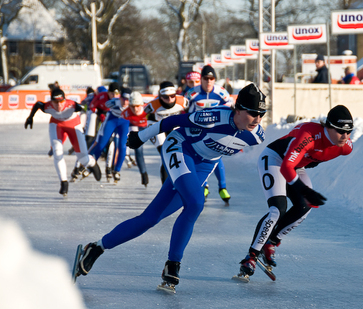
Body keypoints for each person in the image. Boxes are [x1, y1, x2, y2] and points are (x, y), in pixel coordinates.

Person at [74, 83, 267, 292]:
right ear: (237, 109)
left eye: (261, 114)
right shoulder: (214, 117)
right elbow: (172, 121)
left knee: (149, 219)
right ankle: (173, 265)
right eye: (253, 113)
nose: (257, 119)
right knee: (195, 203)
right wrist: (141, 136)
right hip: (180, 147)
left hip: (203, 165)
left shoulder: (256, 135)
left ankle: (96, 247)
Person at [236, 105, 353, 281]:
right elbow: (286, 167)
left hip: (297, 165)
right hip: (276, 159)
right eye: (340, 131)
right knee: (277, 209)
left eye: (349, 132)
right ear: (327, 127)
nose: (345, 137)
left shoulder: (346, 147)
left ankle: (272, 242)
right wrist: (303, 189)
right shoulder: (309, 136)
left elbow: (299, 164)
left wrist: (304, 190)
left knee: (306, 206)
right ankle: (251, 257)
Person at [24, 89, 101, 196]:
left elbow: (85, 109)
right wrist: (30, 117)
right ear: (51, 102)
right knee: (57, 152)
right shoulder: (47, 107)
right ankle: (64, 182)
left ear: (65, 100)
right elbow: (37, 104)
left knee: (83, 159)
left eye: (61, 102)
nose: (59, 105)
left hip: (73, 124)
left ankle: (92, 163)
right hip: (56, 125)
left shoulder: (72, 105)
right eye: (56, 102)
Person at [186, 65, 233, 203]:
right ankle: (204, 185)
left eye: (211, 78)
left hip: (215, 130)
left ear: (214, 80)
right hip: (198, 131)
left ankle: (222, 187)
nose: (208, 81)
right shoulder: (191, 93)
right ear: (201, 79)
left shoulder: (221, 92)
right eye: (206, 78)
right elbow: (184, 111)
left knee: (216, 157)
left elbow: (232, 108)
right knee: (200, 158)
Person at [144, 81, 189, 183]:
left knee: (175, 153)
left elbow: (191, 113)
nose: (169, 100)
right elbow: (141, 116)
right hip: (157, 126)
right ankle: (165, 184)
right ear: (160, 96)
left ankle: (176, 181)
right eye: (165, 97)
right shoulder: (152, 105)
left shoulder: (183, 101)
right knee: (165, 154)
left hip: (173, 125)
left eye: (172, 96)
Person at [88, 86, 130, 183]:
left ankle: (117, 170)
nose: (125, 102)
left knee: (122, 146)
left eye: (128, 100)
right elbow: (102, 105)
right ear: (120, 98)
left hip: (124, 123)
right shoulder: (113, 102)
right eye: (123, 99)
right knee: (102, 144)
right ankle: (92, 165)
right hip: (112, 120)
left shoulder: (133, 104)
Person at [122, 92, 149, 187]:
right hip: (134, 127)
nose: (135, 109)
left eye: (137, 106)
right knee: (138, 150)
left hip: (146, 127)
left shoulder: (147, 110)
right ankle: (143, 173)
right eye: (132, 106)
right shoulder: (125, 113)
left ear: (141, 104)